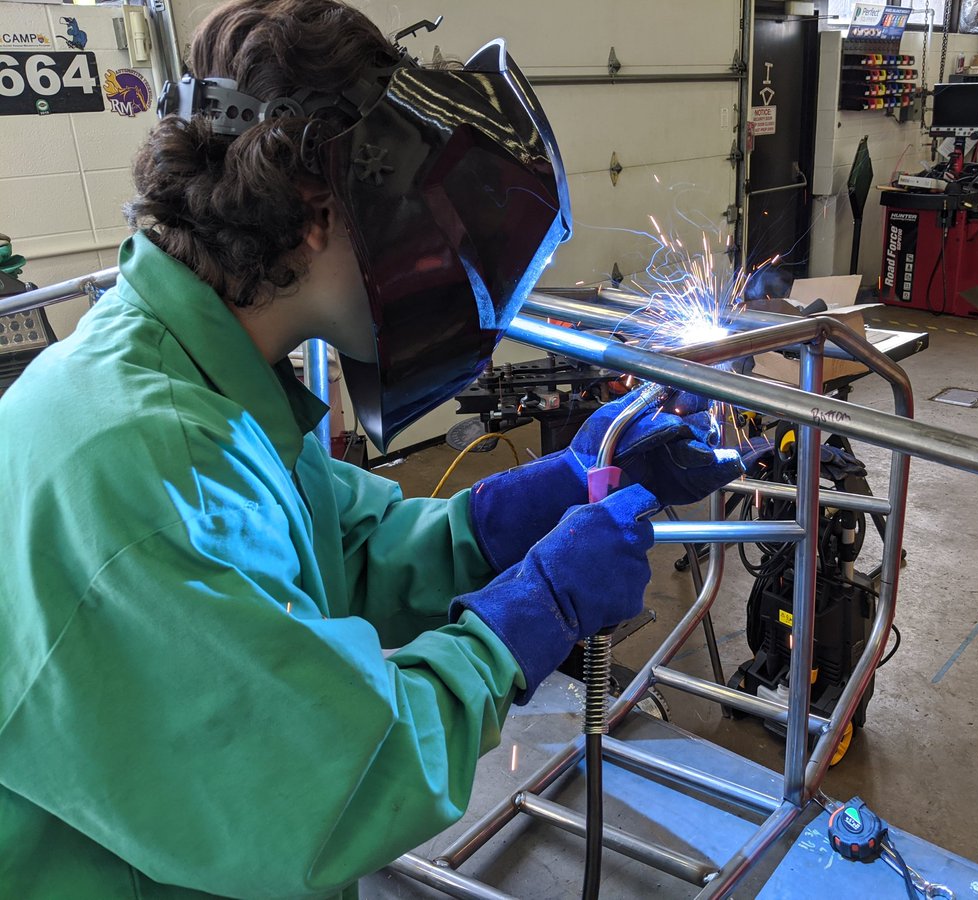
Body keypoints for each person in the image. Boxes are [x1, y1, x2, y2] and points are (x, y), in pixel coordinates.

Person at [0, 1, 743, 897]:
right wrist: (529, 615)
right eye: (430, 214)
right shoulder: (150, 467)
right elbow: (327, 779)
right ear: (319, 206)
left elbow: (340, 555)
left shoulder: (197, 373)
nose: (443, 250)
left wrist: (548, 494)